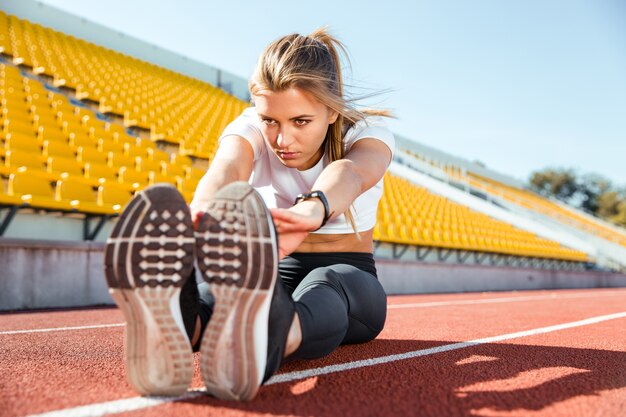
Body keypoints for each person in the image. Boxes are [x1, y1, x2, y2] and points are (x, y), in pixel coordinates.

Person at [104, 28, 395, 401]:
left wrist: (312, 209)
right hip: (268, 273)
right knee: (218, 294)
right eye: (270, 121)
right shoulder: (250, 125)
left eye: (301, 121)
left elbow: (351, 173)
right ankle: (183, 327)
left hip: (350, 275)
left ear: (332, 110)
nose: (281, 140)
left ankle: (277, 331)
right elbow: (226, 168)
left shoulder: (368, 133)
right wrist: (201, 212)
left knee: (326, 283)